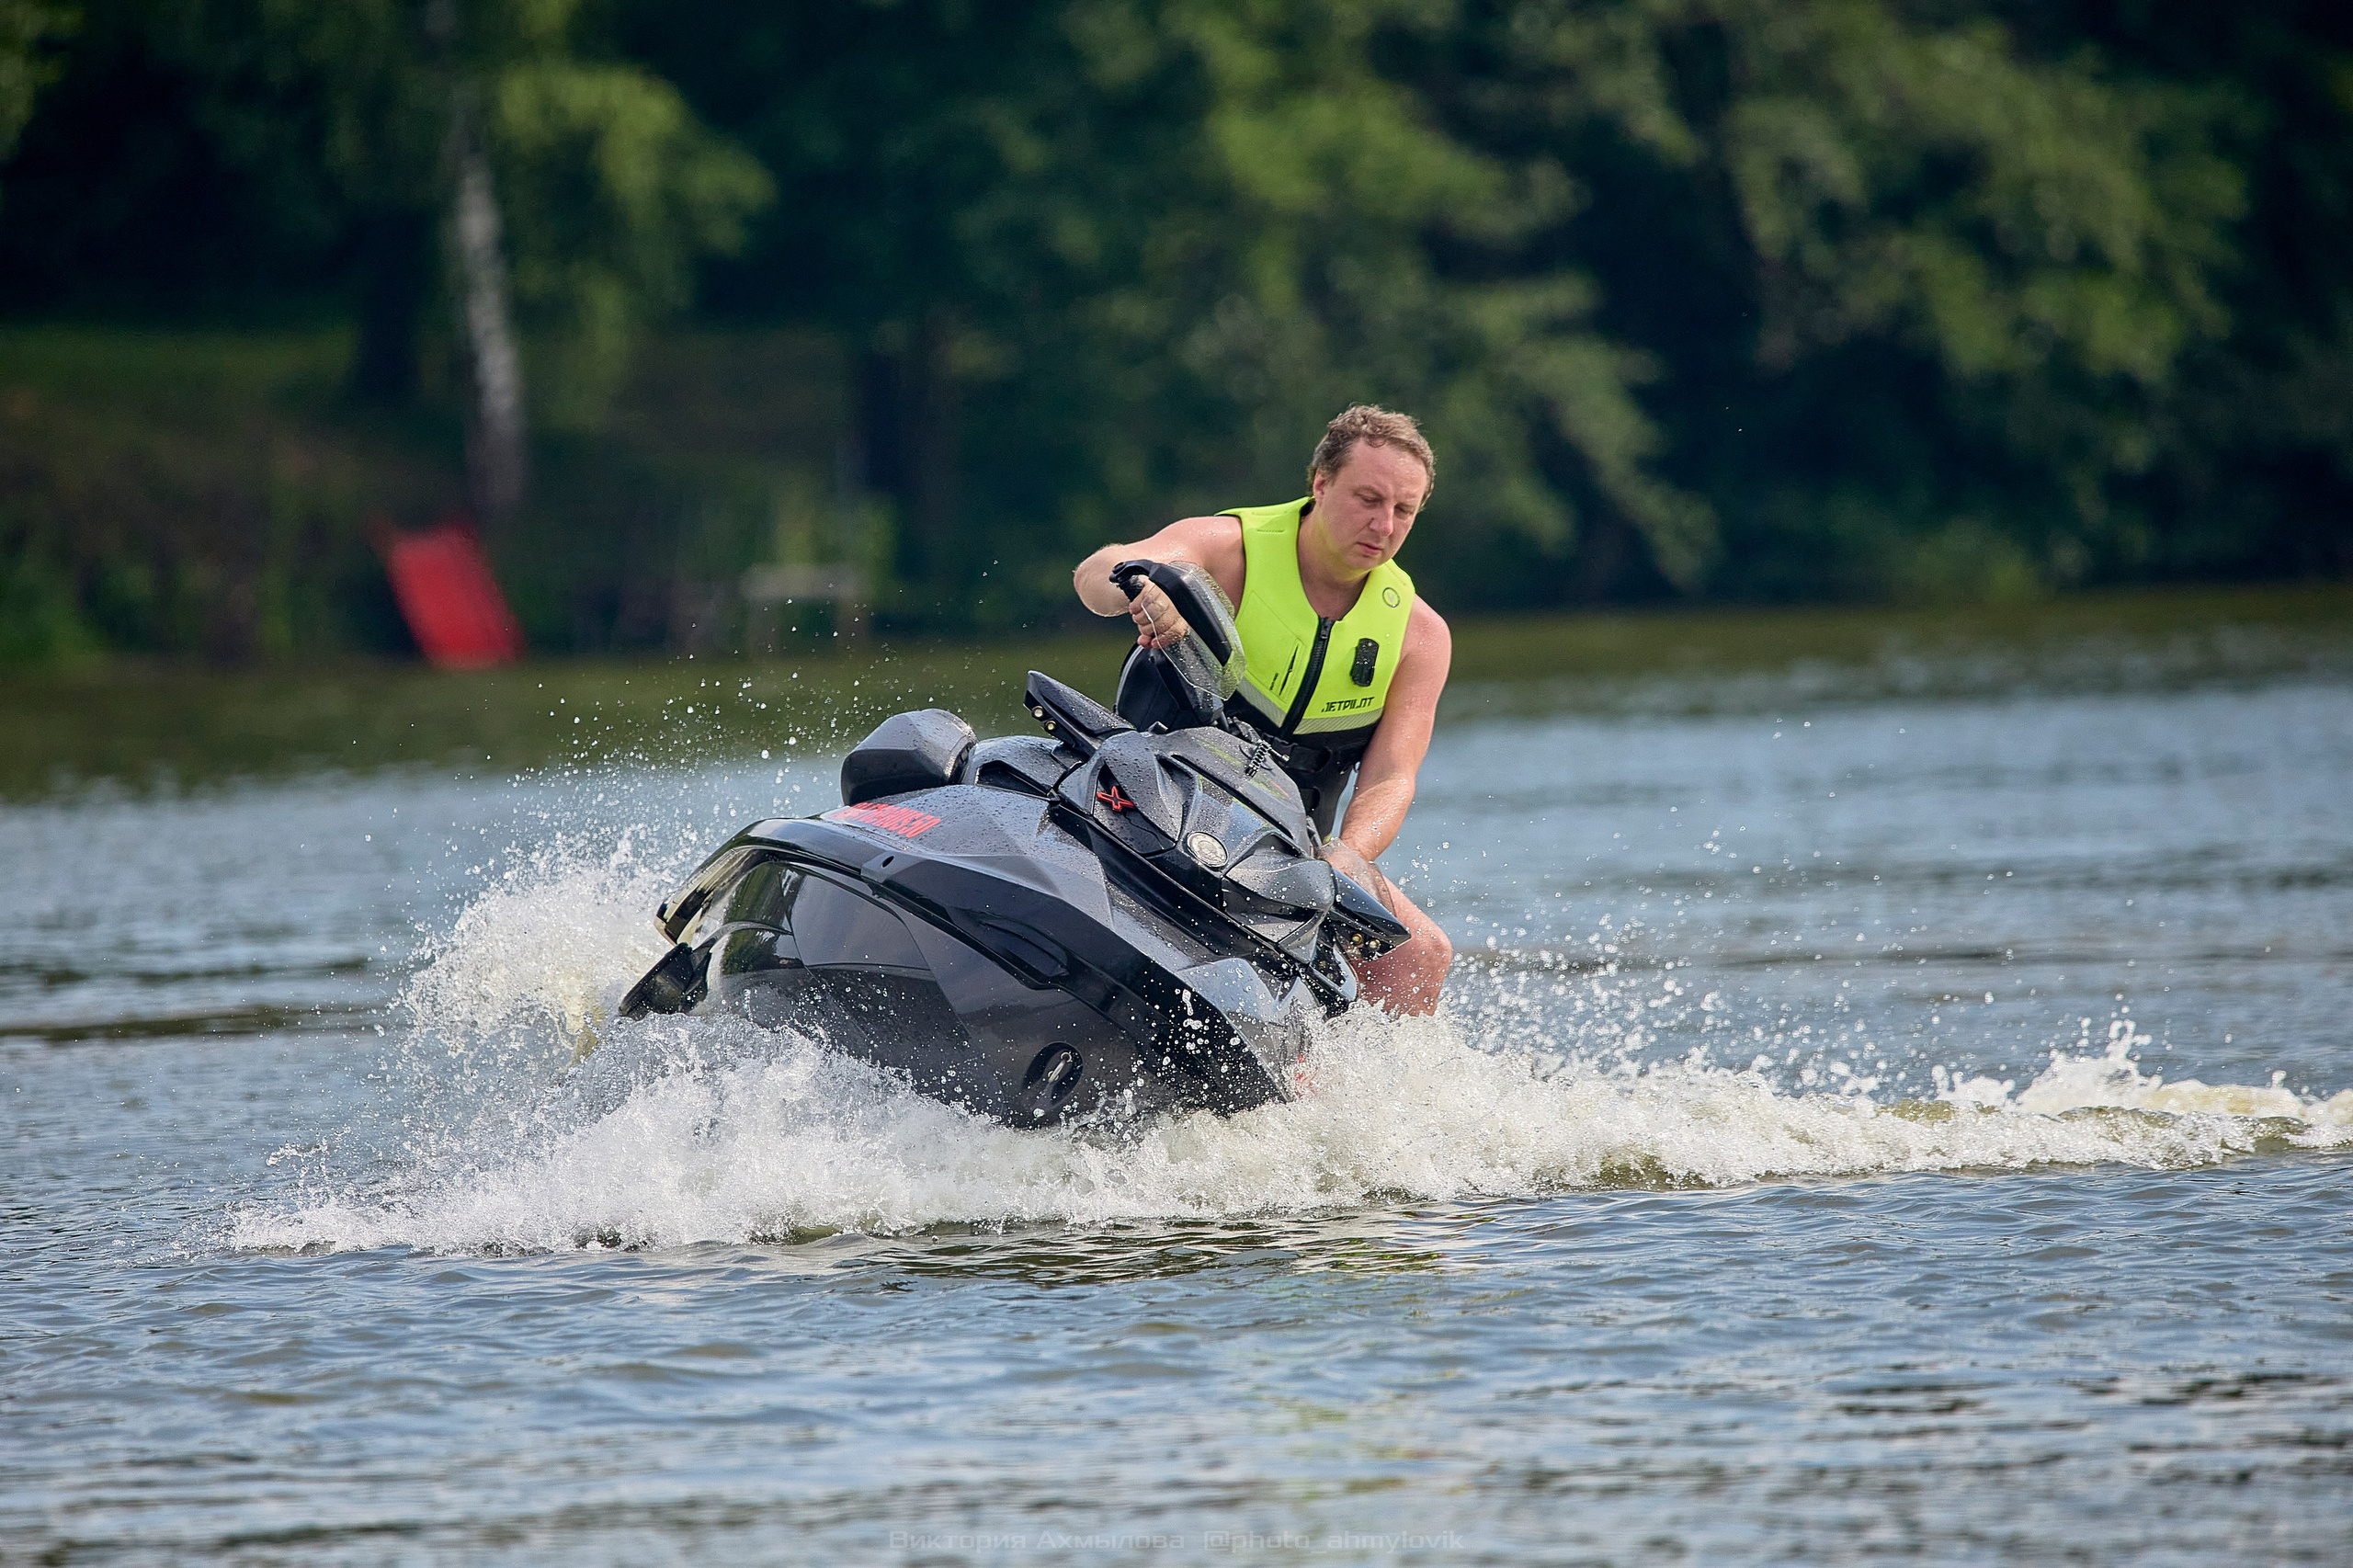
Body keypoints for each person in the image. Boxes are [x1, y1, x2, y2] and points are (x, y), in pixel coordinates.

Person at [1072, 404, 1454, 1015]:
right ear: (1321, 483)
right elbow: (1097, 573)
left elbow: (1390, 777)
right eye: (1368, 499)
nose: (1384, 524)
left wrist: (1349, 854)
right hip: (1154, 802)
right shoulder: (1229, 549)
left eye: (1403, 510)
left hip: (1284, 851)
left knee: (1422, 954)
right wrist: (1141, 585)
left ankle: (1355, 1074)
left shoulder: (1419, 635)